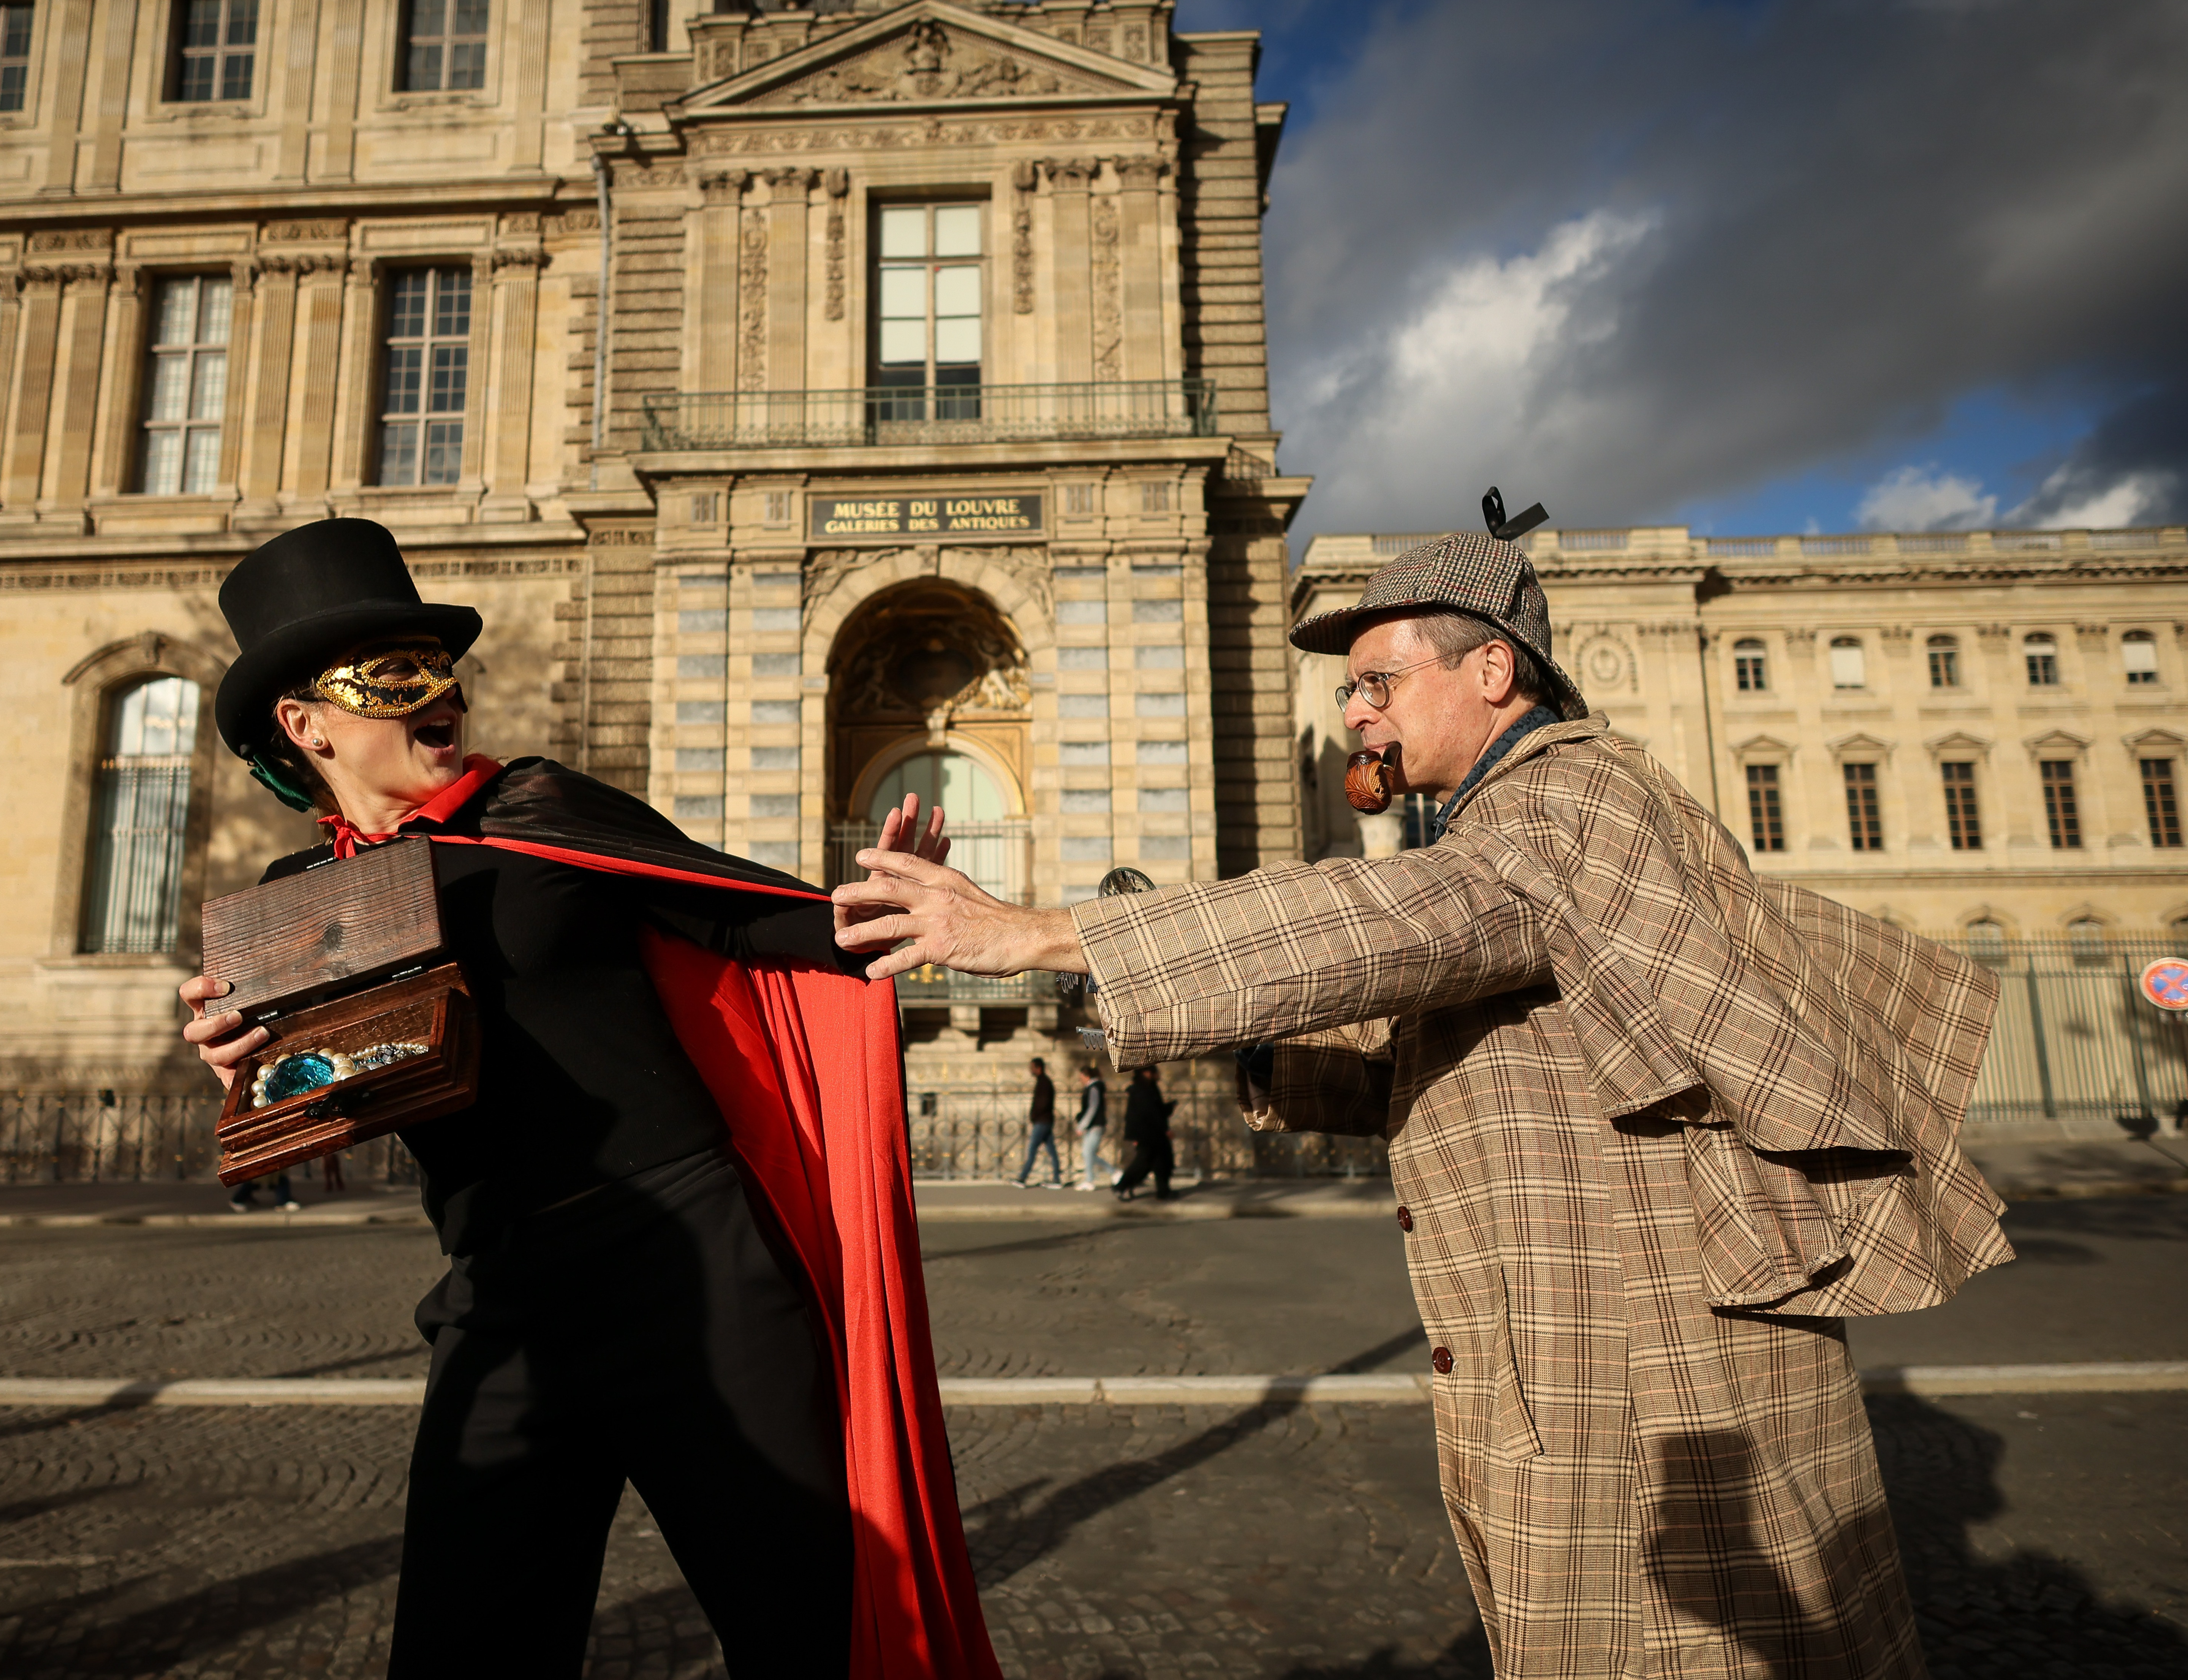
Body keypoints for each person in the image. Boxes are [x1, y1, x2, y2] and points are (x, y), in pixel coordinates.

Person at [834, 525, 2014, 1680]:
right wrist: (1147, 973)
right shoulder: (1514, 829)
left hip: (1651, 1378)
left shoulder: (1570, 800)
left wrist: (1041, 931)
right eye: (1352, 690)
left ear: (1490, 670)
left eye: (1376, 681)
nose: (1354, 713)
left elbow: (1404, 918)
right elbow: (1417, 1048)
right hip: (1592, 1359)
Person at [178, 519, 1000, 1680]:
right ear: (306, 725)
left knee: (803, 1634)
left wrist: (874, 907)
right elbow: (318, 1098)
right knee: (466, 1653)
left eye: (435, 665)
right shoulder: (293, 903)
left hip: (696, 1280)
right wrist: (245, 1060)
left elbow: (737, 913)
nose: (435, 690)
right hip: (498, 1301)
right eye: (390, 673)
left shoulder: (540, 807)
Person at [1112, 1065, 1174, 1201]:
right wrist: (1165, 1130)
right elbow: (1149, 1114)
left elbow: (1158, 1111)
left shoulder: (1150, 1088)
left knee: (1161, 1162)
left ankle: (1164, 1191)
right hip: (1147, 1134)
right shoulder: (1141, 1090)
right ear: (1147, 1073)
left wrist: (1169, 1108)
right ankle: (1122, 1186)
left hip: (1153, 1133)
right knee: (1143, 1163)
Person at [1013, 1056, 1062, 1187]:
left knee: (1033, 1149)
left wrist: (1034, 1115)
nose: (1030, 1070)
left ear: (1038, 1068)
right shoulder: (1043, 1082)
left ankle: (1023, 1178)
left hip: (1042, 1121)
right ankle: (1057, 1179)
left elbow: (1043, 1103)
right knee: (1052, 1150)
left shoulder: (1045, 1083)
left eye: (1032, 1068)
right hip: (1044, 1120)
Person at [1074, 1060, 1109, 1189]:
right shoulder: (1093, 1087)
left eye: (1081, 1076)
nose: (1080, 1079)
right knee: (1088, 1154)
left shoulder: (1094, 1088)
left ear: (1086, 1075)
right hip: (1093, 1125)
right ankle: (1113, 1173)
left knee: (1088, 1153)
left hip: (1095, 1125)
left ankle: (1091, 1180)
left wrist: (1082, 1126)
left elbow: (1093, 1108)